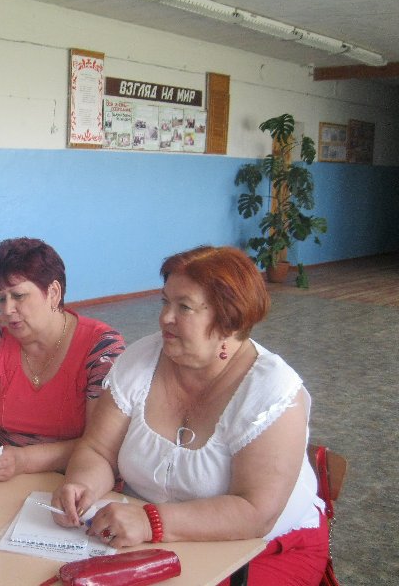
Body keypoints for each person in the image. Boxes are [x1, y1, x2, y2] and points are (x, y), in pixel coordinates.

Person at [51, 245, 328, 586]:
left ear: (230, 321)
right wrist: (83, 485)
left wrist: (152, 522)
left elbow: (256, 512)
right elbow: (98, 450)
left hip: (261, 549)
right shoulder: (141, 360)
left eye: (184, 307)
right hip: (152, 542)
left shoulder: (273, 390)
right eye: (165, 302)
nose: (165, 317)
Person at [0, 237, 125, 483]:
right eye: (1, 298)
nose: (7, 309)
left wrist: (25, 460)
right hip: (4, 475)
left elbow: (104, 444)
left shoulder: (101, 348)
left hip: (78, 481)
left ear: (53, 292)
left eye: (18, 296)